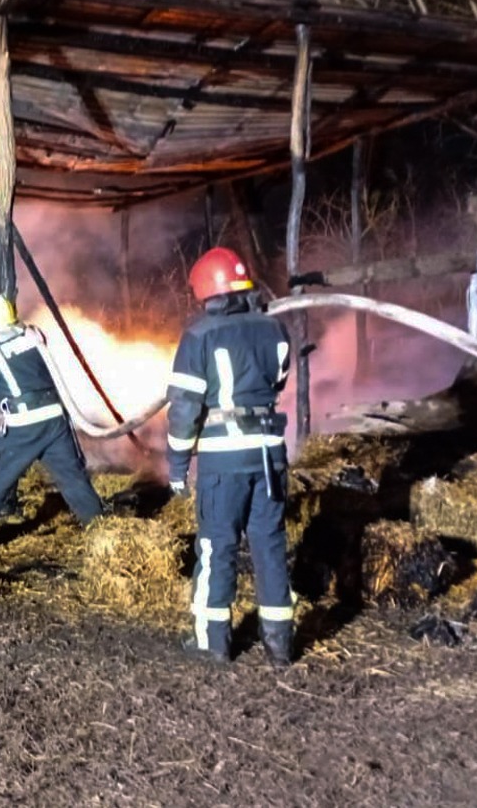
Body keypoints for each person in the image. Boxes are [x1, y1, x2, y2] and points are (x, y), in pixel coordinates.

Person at [165, 247, 294, 667]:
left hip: (223, 460)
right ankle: (279, 645)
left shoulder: (200, 336)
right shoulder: (274, 327)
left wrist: (178, 466)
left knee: (217, 545)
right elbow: (279, 379)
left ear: (206, 291)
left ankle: (212, 642)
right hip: (270, 454)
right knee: (270, 545)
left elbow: (185, 407)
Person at [0, 292, 104, 546]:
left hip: (22, 427)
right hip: (55, 421)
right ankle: (101, 529)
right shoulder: (32, 335)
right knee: (73, 478)